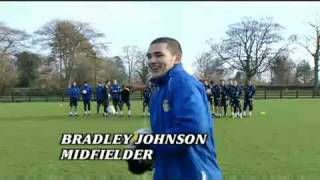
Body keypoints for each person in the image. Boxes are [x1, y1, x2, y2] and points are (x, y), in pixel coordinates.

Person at [144, 37, 222, 180]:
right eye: (149, 56)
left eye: (159, 55)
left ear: (177, 58)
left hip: (194, 172)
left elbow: (193, 129)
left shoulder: (184, 84)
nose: (152, 60)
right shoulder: (159, 89)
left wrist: (150, 145)